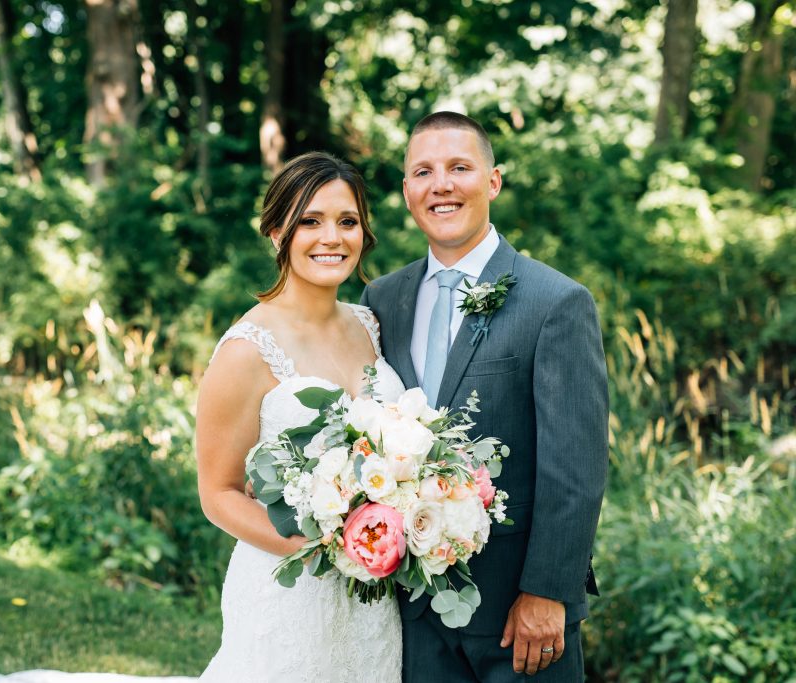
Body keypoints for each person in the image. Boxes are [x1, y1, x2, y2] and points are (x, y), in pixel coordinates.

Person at [361, 112, 608, 681]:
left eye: (459, 167)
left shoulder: (556, 302)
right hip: (410, 617)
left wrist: (549, 593)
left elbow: (576, 468)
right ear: (406, 191)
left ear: (492, 181)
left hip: (518, 619)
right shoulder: (382, 299)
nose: (441, 184)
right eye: (423, 171)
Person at [195, 152, 404, 682]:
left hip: (372, 597)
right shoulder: (247, 349)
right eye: (310, 221)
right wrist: (323, 547)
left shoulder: (370, 325)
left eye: (347, 222)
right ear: (276, 232)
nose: (331, 237)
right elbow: (218, 494)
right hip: (289, 591)